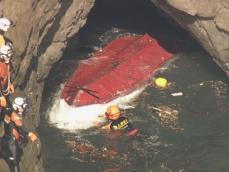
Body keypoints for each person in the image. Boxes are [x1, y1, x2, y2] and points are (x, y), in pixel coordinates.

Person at [3, 97, 38, 172]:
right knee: (15, 163)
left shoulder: (8, 112)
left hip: (6, 137)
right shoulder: (14, 115)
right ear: (17, 107)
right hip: (12, 142)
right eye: (23, 106)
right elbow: (20, 125)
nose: (24, 107)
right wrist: (29, 133)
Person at [0, 17, 14, 155]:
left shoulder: (6, 62)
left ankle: (6, 135)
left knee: (6, 111)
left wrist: (10, 83)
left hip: (5, 85)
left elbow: (7, 72)